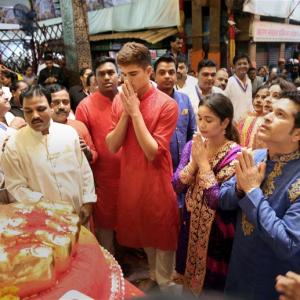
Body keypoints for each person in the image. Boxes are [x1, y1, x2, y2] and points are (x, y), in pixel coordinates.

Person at [105, 42, 179, 290]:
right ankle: (155, 278)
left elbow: (152, 152)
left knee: (163, 241)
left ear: (149, 72)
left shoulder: (167, 104)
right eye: (123, 74)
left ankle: (165, 284)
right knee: (146, 238)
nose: (127, 81)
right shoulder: (120, 101)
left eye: (133, 74)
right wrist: (126, 112)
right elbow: (112, 145)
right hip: (132, 183)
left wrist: (135, 112)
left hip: (157, 184)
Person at [218, 90, 300, 299]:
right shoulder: (254, 156)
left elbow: (289, 245)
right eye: (270, 110)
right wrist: (239, 188)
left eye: (280, 114)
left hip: (274, 282)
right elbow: (223, 199)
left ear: (297, 133)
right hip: (239, 268)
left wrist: (252, 191)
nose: (267, 116)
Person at [172, 93, 240, 295]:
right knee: (188, 285)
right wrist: (194, 162)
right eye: (199, 118)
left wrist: (202, 163)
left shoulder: (235, 155)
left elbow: (216, 200)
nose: (202, 124)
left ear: (225, 122)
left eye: (208, 120)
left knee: (210, 289)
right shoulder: (193, 146)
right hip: (190, 223)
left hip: (216, 232)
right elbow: (176, 186)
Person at [1, 85, 96, 225]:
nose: (35, 116)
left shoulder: (69, 133)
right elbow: (15, 186)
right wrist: (47, 206)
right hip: (41, 218)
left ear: (51, 106)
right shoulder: (14, 144)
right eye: (28, 111)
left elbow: (84, 170)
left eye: (40, 109)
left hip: (77, 213)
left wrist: (88, 201)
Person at [76, 57, 120, 254]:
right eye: (102, 74)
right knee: (106, 224)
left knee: (132, 218)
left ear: (118, 75)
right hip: (102, 177)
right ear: (94, 78)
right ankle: (110, 263)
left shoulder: (129, 100)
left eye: (111, 72)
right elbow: (83, 144)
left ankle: (133, 258)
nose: (107, 77)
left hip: (131, 173)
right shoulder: (85, 106)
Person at [154, 54, 196, 208]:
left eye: (171, 72)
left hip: (184, 169)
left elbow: (192, 132)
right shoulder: (149, 102)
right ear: (154, 75)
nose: (167, 76)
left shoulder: (184, 99)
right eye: (162, 72)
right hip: (159, 169)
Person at [48, 84, 97, 164]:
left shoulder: (79, 126)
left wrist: (87, 152)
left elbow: (94, 154)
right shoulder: (41, 130)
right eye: (56, 102)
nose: (61, 106)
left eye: (65, 102)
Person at [225, 53, 253, 122]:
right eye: (239, 64)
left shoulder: (249, 81)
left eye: (245, 63)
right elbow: (225, 105)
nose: (242, 66)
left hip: (247, 123)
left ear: (248, 65)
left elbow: (249, 103)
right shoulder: (229, 82)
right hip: (234, 123)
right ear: (234, 67)